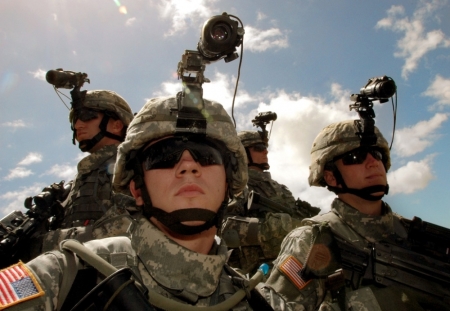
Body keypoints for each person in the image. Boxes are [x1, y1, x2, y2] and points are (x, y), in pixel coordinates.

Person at [1, 96, 272, 310]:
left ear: (229, 182)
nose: (188, 167)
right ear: (137, 190)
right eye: (164, 157)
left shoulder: (256, 299)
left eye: (207, 156)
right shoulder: (63, 276)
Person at [258, 120, 450, 310]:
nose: (373, 163)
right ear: (331, 176)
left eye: (376, 154)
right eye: (356, 157)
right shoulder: (309, 241)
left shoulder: (417, 235)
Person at [222, 130, 320, 275]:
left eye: (265, 147)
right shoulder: (236, 186)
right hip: (254, 274)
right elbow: (224, 228)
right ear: (241, 153)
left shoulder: (280, 189)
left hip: (290, 265)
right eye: (259, 148)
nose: (266, 151)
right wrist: (270, 228)